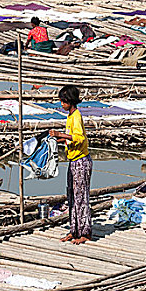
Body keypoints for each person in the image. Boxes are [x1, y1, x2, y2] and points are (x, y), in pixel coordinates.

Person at [49, 86, 92, 245]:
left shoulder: (76, 117)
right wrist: (56, 140)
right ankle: (74, 231)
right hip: (73, 160)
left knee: (81, 198)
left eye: (63, 101)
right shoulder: (70, 116)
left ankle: (85, 233)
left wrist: (60, 134)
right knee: (72, 197)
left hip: (81, 161)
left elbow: (79, 138)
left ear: (70, 101)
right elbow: (70, 138)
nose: (61, 103)